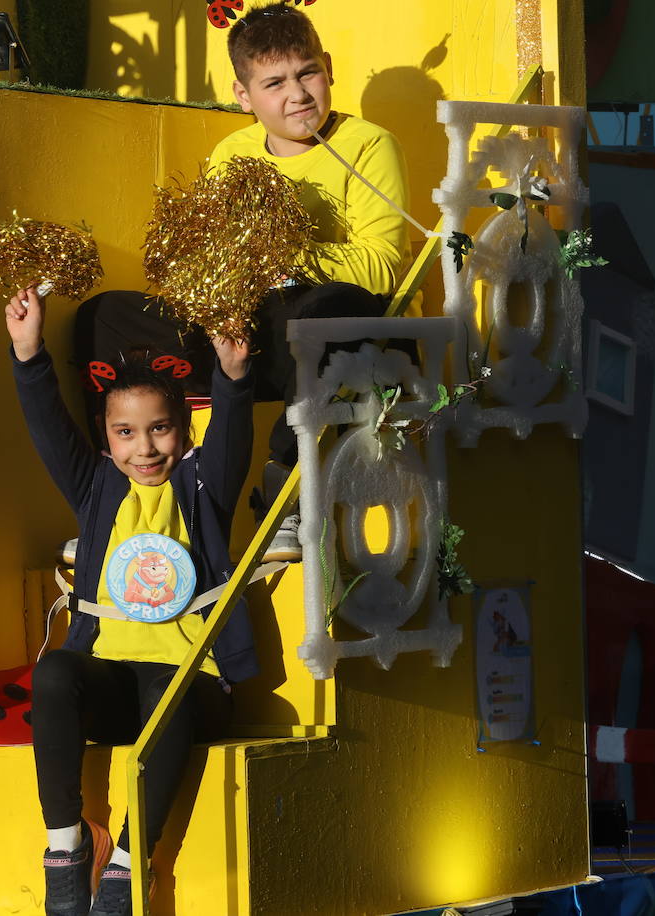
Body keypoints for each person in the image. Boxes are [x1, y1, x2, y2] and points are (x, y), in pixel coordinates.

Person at [74, 1, 410, 562]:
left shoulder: (369, 145)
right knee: (106, 315)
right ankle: (120, 494)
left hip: (330, 332)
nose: (297, 94)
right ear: (243, 95)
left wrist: (284, 246)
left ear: (328, 68)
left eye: (307, 74)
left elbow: (382, 269)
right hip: (244, 334)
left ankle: (285, 491)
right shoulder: (232, 153)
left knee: (322, 308)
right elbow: (215, 258)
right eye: (274, 82)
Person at [6, 284, 258, 916]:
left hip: (188, 689)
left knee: (165, 692)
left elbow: (231, 438)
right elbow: (47, 428)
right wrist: (29, 353)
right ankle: (66, 848)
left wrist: (232, 376)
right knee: (57, 669)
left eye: (160, 429)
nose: (144, 449)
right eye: (126, 433)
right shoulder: (95, 489)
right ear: (107, 437)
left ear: (183, 428)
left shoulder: (204, 485)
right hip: (114, 683)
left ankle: (126, 861)